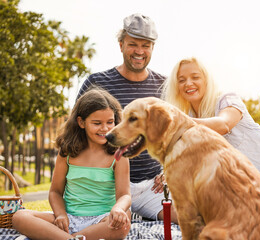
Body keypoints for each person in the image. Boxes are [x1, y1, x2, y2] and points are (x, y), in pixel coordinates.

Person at [76, 13, 177, 223]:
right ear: (121, 44)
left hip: (152, 186)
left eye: (146, 45)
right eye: (133, 44)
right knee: (112, 226)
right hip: (108, 187)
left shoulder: (165, 86)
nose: (139, 51)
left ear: (152, 48)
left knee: (190, 218)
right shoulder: (95, 83)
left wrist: (169, 169)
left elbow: (176, 136)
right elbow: (75, 133)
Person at [12, 88, 131, 240]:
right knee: (19, 216)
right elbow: (55, 192)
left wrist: (119, 208)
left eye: (110, 122)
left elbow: (124, 195)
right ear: (81, 122)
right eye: (97, 123)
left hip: (102, 220)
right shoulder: (67, 152)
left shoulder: (118, 155)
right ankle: (71, 238)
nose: (105, 128)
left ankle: (65, 238)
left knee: (123, 224)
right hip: (68, 219)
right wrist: (61, 215)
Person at [161, 57, 260, 174]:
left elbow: (224, 124)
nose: (188, 83)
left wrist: (179, 120)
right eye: (181, 80)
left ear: (206, 80)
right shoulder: (189, 115)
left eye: (195, 77)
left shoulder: (227, 99)